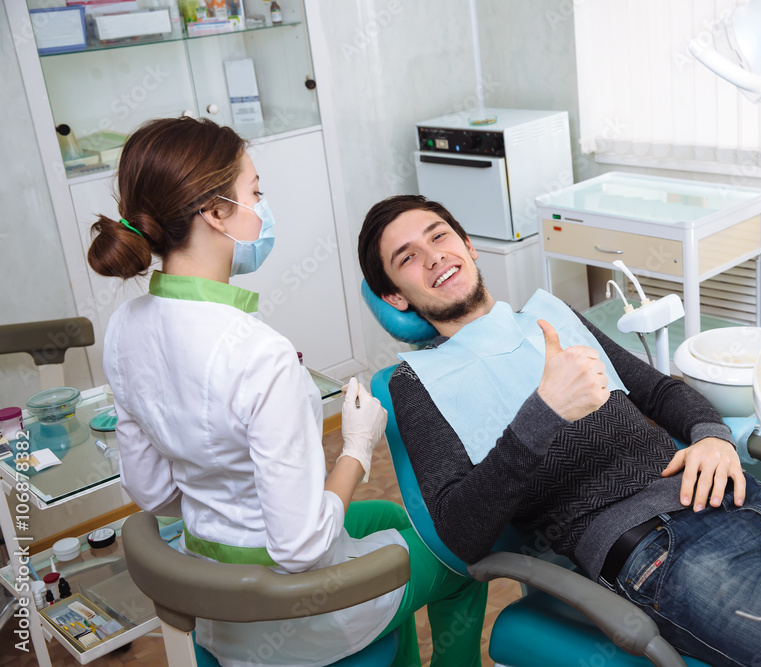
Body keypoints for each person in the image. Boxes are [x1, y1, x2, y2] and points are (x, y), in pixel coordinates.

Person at [358, 194, 761, 667]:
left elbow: (663, 392)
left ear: (468, 245)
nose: (434, 257)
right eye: (408, 259)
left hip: (757, 499)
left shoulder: (551, 316)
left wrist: (713, 436)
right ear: (397, 297)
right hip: (666, 553)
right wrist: (544, 411)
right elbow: (460, 532)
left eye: (441, 236)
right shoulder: (416, 385)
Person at [88, 119, 486, 667]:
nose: (262, 206)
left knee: (394, 522)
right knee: (462, 555)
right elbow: (300, 549)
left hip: (212, 599)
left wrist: (229, 498)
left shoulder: (124, 328)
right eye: (255, 192)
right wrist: (356, 446)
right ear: (216, 212)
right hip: (295, 618)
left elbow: (153, 492)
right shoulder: (259, 354)